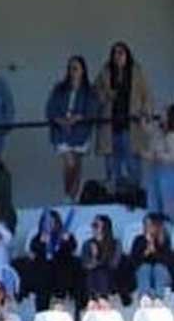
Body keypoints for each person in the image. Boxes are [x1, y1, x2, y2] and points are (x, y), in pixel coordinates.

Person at [94, 41, 154, 192]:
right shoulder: (105, 72)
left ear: (127, 55)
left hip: (131, 125)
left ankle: (134, 193)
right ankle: (115, 193)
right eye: (115, 53)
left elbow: (146, 95)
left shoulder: (137, 72)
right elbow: (95, 92)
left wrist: (145, 113)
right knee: (112, 164)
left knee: (132, 162)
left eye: (121, 53)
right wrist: (107, 95)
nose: (118, 56)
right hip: (110, 125)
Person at [45, 55, 97, 201]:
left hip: (80, 133)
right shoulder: (59, 89)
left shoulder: (89, 91)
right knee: (69, 162)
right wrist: (60, 120)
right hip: (62, 132)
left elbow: (92, 110)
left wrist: (79, 118)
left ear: (82, 70)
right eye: (70, 68)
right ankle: (67, 193)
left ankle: (74, 196)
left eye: (75, 68)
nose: (72, 71)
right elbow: (50, 109)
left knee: (77, 165)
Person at [23, 209, 81, 311]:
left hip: (61, 273)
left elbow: (72, 248)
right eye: (47, 223)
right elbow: (33, 251)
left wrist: (66, 241)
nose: (50, 225)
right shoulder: (38, 237)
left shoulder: (64, 235)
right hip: (44, 275)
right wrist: (41, 243)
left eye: (52, 222)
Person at [80, 214, 122, 307]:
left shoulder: (115, 243)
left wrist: (99, 255)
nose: (93, 228)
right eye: (93, 225)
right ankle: (94, 298)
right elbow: (85, 264)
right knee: (92, 272)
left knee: (101, 272)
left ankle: (101, 298)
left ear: (104, 227)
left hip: (110, 275)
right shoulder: (87, 244)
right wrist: (94, 257)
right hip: (92, 276)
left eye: (96, 225)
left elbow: (114, 263)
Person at [129, 213, 174, 299]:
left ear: (156, 226)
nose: (147, 228)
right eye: (145, 225)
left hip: (162, 274)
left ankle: (158, 297)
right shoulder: (138, 240)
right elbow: (133, 262)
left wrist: (155, 252)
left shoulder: (164, 240)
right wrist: (145, 253)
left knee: (158, 268)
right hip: (143, 274)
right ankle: (145, 296)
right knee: (145, 267)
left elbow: (168, 261)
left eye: (150, 225)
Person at [142, 105, 174, 216]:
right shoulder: (158, 131)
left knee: (167, 202)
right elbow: (147, 129)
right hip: (155, 170)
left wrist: (159, 156)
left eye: (164, 113)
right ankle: (154, 218)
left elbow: (172, 157)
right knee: (153, 198)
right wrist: (146, 116)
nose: (161, 115)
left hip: (168, 172)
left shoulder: (171, 136)